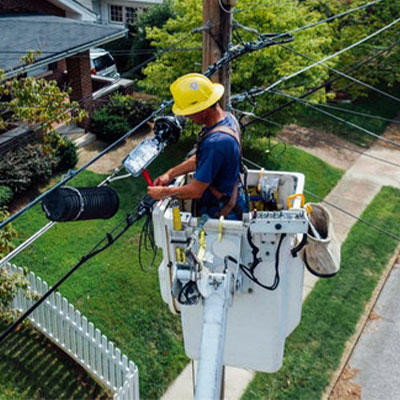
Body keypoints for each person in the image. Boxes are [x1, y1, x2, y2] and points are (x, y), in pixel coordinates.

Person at [148, 73, 247, 220]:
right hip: (228, 200)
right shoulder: (227, 119)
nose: (187, 117)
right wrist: (170, 174)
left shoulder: (217, 143)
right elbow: (202, 159)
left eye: (189, 112)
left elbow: (195, 191)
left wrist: (163, 193)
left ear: (203, 109)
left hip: (223, 213)